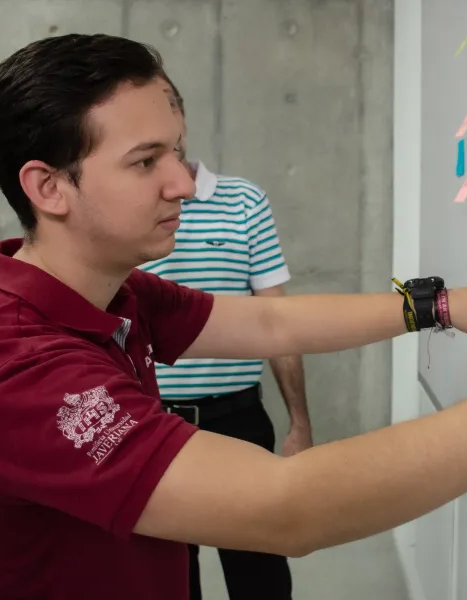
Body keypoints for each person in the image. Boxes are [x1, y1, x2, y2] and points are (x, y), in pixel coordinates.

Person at [0, 34, 467, 600]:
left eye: (179, 152)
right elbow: (290, 509)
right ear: (49, 187)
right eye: (146, 160)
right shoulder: (17, 375)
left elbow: (271, 325)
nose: (184, 182)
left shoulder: (116, 294)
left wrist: (436, 305)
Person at [139, 82, 308, 599]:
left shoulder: (243, 200)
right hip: (152, 420)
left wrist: (299, 423)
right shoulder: (124, 207)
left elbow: (277, 319)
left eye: (166, 104)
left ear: (181, 116)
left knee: (260, 576)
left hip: (236, 419)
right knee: (170, 580)